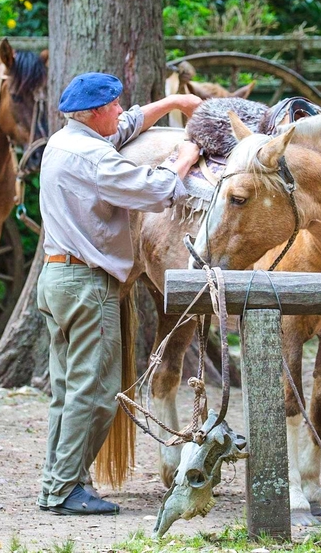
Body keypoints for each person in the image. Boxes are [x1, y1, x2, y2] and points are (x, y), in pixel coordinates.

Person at [36, 72, 202, 515]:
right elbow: (155, 189)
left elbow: (129, 123)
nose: (120, 112)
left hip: (57, 281)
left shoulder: (65, 142)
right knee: (96, 392)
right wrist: (184, 158)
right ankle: (66, 489)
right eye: (113, 106)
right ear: (94, 114)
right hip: (88, 286)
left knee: (66, 388)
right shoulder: (95, 159)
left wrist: (172, 103)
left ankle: (55, 482)